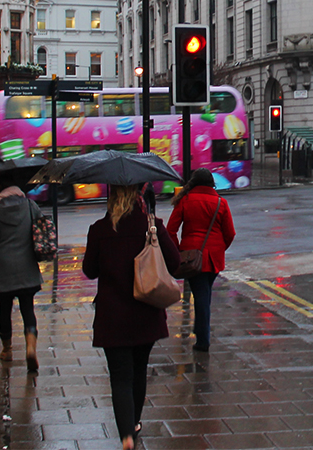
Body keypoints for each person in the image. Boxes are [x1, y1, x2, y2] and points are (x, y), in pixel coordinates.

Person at [83, 185, 180, 450]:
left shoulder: (100, 230)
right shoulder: (152, 225)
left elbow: (89, 270)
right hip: (145, 314)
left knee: (120, 378)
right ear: (138, 195)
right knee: (138, 372)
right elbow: (174, 262)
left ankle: (126, 435)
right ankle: (134, 424)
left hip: (112, 317)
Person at [0, 180, 43, 370]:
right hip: (26, 265)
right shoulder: (29, 205)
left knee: (4, 309)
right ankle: (30, 347)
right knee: (27, 309)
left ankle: (7, 350)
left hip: (2, 267)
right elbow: (42, 226)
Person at [166, 169, 235, 352]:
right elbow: (230, 234)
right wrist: (219, 249)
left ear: (194, 182)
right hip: (213, 258)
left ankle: (203, 340)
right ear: (212, 183)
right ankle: (200, 329)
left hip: (191, 256)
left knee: (201, 295)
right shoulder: (221, 202)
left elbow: (170, 230)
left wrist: (179, 250)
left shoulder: (185, 200)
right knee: (205, 294)